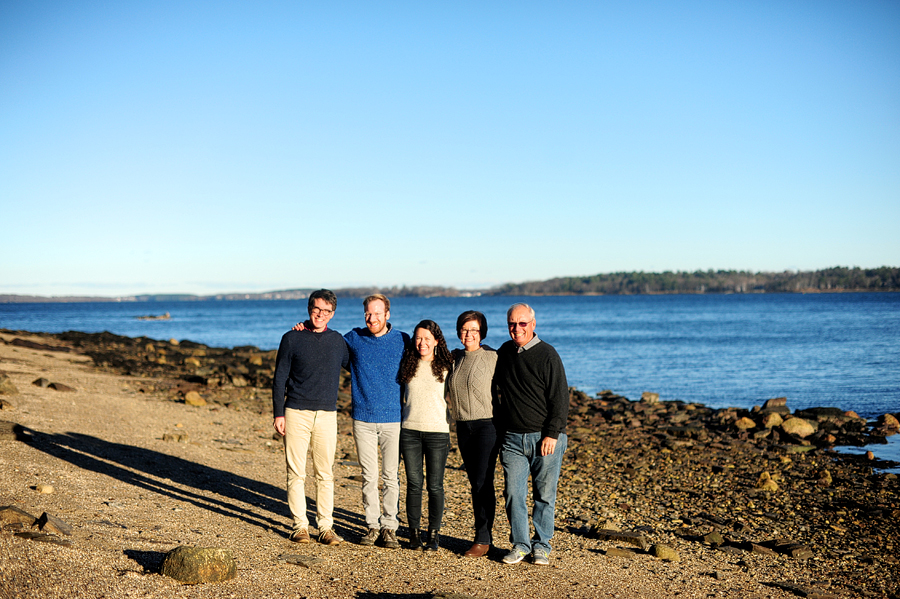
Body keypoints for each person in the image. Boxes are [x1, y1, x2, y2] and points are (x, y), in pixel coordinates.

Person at [292, 293, 408, 549]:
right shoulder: (353, 339)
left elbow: (424, 359)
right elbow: (324, 341)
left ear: (387, 315)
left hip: (393, 419)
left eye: (377, 313)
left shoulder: (403, 340)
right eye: (368, 313)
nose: (372, 318)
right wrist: (304, 326)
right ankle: (372, 526)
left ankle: (389, 527)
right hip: (362, 418)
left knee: (390, 477)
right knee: (369, 475)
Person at [493, 302, 569, 566]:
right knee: (513, 494)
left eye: (522, 323)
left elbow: (560, 399)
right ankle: (520, 544)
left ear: (533, 325)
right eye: (512, 324)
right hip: (512, 439)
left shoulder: (548, 355)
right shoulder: (504, 352)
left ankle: (542, 545)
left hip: (544, 439)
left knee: (544, 495)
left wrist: (552, 434)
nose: (517, 328)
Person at [272, 289, 349, 546]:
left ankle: (326, 527)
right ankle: (300, 526)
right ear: (309, 309)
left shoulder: (338, 341)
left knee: (325, 473)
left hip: (327, 414)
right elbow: (279, 378)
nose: (320, 315)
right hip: (295, 412)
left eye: (326, 311)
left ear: (333, 314)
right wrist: (278, 413)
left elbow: (359, 363)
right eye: (316, 310)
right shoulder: (291, 338)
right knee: (296, 473)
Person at [446, 310, 499, 558]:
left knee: (482, 482)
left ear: (482, 333)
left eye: (474, 330)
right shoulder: (453, 358)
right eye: (465, 330)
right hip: (463, 426)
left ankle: (483, 538)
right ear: (459, 332)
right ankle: (483, 534)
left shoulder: (492, 356)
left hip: (486, 426)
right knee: (474, 482)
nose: (469, 334)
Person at [397, 320, 453, 551]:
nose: (422, 343)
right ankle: (414, 534)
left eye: (427, 339)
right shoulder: (407, 364)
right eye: (418, 338)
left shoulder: (448, 366)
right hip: (409, 431)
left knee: (435, 486)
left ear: (436, 341)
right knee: (414, 484)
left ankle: (434, 535)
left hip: (438, 433)